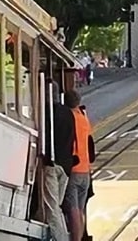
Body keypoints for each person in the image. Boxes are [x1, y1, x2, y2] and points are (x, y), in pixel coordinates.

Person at [41, 84, 77, 241]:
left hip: (52, 164)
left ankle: (61, 238)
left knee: (52, 208)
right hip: (66, 166)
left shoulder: (47, 112)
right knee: (57, 207)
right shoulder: (68, 113)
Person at [64, 90, 96, 241]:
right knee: (81, 209)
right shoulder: (84, 118)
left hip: (74, 169)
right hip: (86, 170)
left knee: (73, 209)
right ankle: (82, 237)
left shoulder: (69, 118)